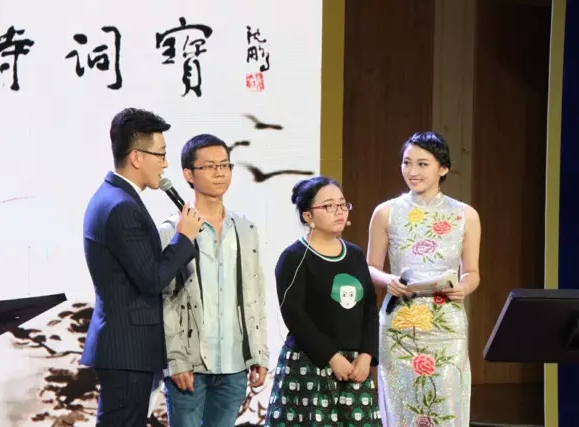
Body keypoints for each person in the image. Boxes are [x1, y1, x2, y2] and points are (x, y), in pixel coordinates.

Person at [81, 108, 205, 427]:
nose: (165, 164)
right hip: (128, 350)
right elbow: (151, 279)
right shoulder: (121, 206)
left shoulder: (114, 197)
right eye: (160, 154)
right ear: (137, 157)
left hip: (127, 349)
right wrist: (184, 237)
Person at [366, 131, 482, 427]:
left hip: (446, 321)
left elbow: (472, 272)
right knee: (402, 404)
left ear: (443, 168)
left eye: (422, 164)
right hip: (400, 321)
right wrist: (387, 280)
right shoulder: (386, 213)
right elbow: (370, 266)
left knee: (446, 401)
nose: (412, 171)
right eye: (406, 163)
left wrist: (464, 287)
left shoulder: (465, 215)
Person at [158, 134, 269, 427]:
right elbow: (166, 299)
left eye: (225, 165)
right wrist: (175, 359)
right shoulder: (172, 230)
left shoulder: (245, 228)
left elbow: (255, 294)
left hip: (234, 364)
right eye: (209, 166)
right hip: (191, 364)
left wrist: (259, 352)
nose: (220, 172)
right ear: (188, 174)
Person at [265, 176, 382, 426]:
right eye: (329, 206)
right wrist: (332, 357)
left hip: (354, 368)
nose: (339, 211)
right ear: (308, 216)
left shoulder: (355, 254)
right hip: (311, 364)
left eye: (342, 204)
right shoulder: (294, 257)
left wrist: (366, 355)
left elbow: (370, 309)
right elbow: (295, 315)